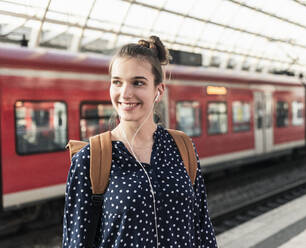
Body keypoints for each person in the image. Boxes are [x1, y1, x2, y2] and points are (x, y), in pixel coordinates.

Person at [62, 36, 218, 248]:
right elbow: (76, 242)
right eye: (117, 82)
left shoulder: (182, 148)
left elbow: (202, 230)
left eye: (138, 82)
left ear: (158, 91)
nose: (125, 93)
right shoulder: (90, 159)